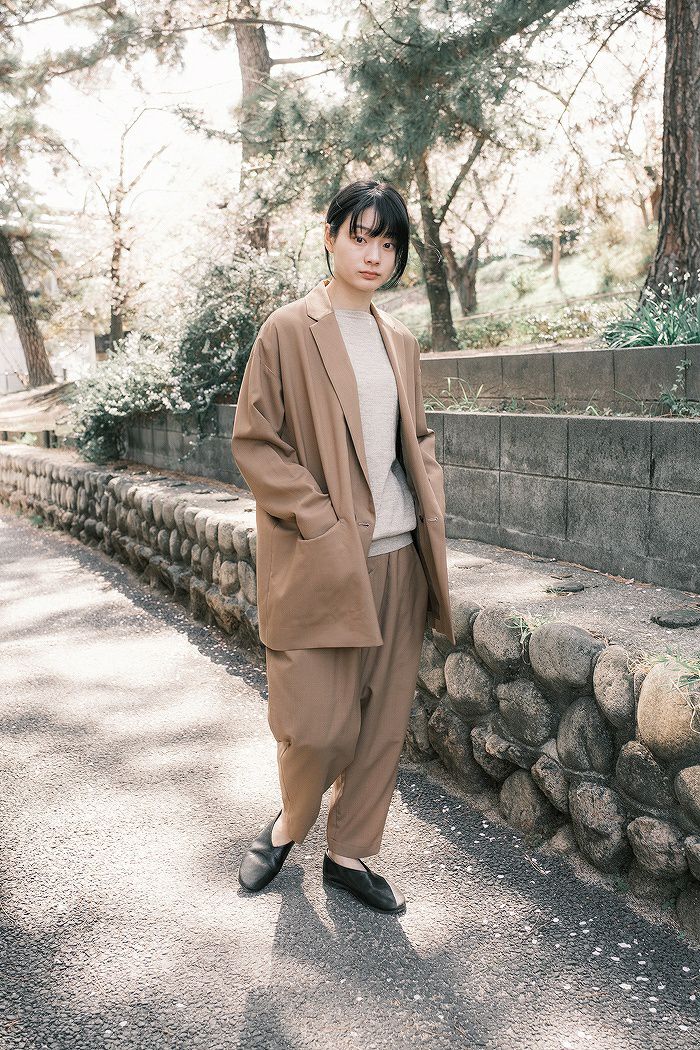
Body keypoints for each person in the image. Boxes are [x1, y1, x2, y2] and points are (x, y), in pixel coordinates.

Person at [231, 178, 455, 915]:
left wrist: (428, 498)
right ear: (329, 237)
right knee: (319, 726)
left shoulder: (401, 342)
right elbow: (255, 440)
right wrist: (319, 518)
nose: (373, 255)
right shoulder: (289, 330)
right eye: (360, 237)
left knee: (383, 721)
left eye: (388, 243)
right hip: (324, 557)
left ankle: (349, 852)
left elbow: (414, 437)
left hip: (400, 557)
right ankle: (290, 823)